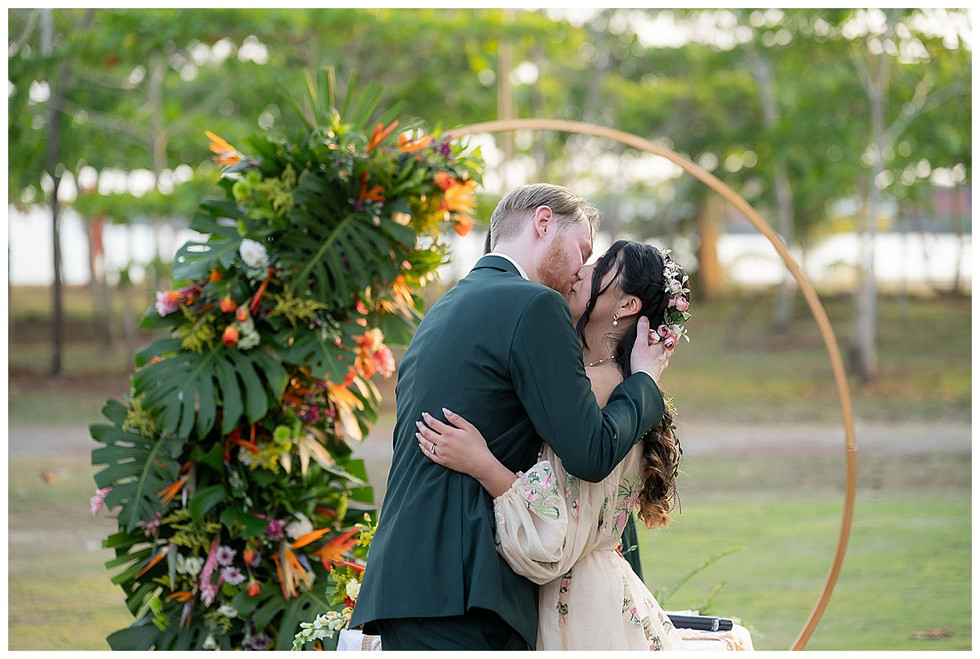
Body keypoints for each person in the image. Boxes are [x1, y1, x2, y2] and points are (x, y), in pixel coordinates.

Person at [349, 185, 674, 650]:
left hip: (403, 583)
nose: (581, 269)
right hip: (464, 589)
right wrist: (645, 382)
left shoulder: (443, 309)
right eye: (582, 250)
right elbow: (589, 451)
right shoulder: (533, 305)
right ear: (543, 224)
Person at [415, 240, 691, 651]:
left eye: (601, 266)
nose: (582, 269)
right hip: (597, 587)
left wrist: (481, 462)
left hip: (576, 605)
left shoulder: (599, 387)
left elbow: (554, 533)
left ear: (627, 306)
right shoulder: (618, 383)